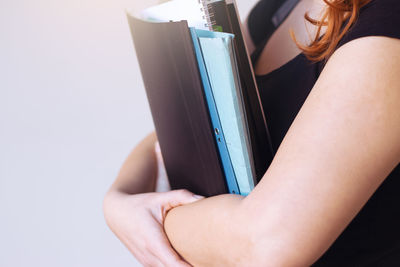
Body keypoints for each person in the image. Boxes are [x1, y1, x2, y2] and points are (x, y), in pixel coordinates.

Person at [103, 0, 400, 265]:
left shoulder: (388, 25)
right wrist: (118, 203)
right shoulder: (279, 7)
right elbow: (177, 129)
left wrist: (143, 217)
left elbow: (262, 243)